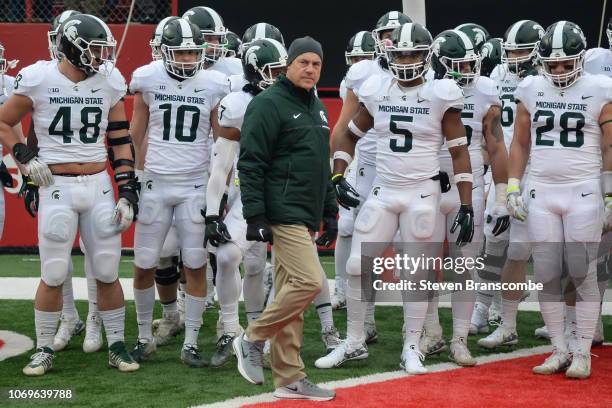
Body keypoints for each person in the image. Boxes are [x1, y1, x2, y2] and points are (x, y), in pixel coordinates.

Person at [316, 22, 474, 375]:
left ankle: (412, 345)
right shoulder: (377, 90)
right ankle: (354, 342)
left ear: (426, 55)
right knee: (357, 265)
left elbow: (460, 153)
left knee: (416, 275)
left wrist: (466, 203)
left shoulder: (441, 93)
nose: (405, 60)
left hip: (422, 192)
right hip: (384, 189)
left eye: (412, 53)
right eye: (400, 53)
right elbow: (350, 135)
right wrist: (338, 172)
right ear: (389, 55)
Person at [0, 13, 139, 376]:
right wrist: (26, 161)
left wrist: (127, 190)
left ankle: (117, 346)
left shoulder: (109, 81)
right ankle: (44, 348)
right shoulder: (38, 77)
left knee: (107, 269)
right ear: (72, 48)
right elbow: (4, 121)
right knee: (55, 271)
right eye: (94, 50)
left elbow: (121, 139)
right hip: (55, 185)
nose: (101, 58)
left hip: (98, 184)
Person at [233, 36, 336, 401]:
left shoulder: (317, 107)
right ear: (288, 65)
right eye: (303, 62)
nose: (310, 69)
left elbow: (319, 165)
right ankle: (251, 337)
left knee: (292, 296)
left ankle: (289, 378)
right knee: (309, 282)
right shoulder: (268, 104)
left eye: (316, 64)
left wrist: (329, 210)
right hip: (283, 211)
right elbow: (251, 163)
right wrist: (255, 214)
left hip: (305, 214)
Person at [507, 20, 612, 379]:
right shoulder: (532, 87)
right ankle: (559, 348)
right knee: (548, 273)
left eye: (567, 64)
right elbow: (520, 141)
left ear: (580, 58)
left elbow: (610, 144)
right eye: (552, 64)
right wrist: (512, 185)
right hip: (543, 190)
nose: (559, 70)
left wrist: (609, 190)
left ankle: (582, 351)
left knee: (583, 273)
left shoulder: (600, 88)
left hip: (583, 188)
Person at [129, 18, 229, 367]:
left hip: (194, 186)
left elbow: (221, 143)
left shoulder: (215, 84)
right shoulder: (147, 77)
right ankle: (144, 337)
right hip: (156, 183)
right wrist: (134, 179)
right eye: (181, 51)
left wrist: (221, 191)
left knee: (196, 264)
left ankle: (190, 342)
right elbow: (135, 134)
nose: (187, 58)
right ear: (165, 51)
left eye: (192, 51)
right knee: (144, 262)